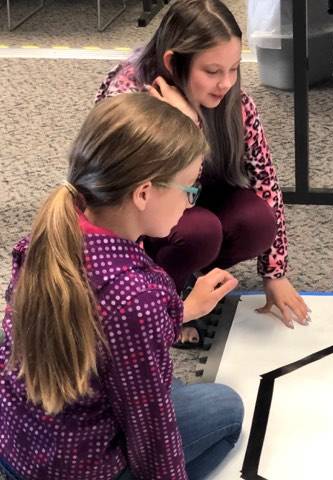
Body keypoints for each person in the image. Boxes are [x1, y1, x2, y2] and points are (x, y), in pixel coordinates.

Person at [0, 94, 243, 480]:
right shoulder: (136, 296)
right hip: (83, 467)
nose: (190, 205)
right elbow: (151, 429)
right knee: (225, 408)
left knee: (171, 387)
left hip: (18, 451)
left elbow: (102, 333)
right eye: (189, 191)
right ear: (144, 193)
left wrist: (185, 310)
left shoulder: (49, 237)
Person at [95, 0, 310, 348]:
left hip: (194, 196)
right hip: (144, 212)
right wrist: (184, 126)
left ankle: (192, 272)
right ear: (173, 62)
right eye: (212, 71)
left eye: (234, 68)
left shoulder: (236, 103)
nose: (226, 83)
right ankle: (167, 295)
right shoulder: (127, 100)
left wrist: (275, 274)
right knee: (199, 232)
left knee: (257, 220)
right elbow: (119, 207)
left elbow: (266, 181)